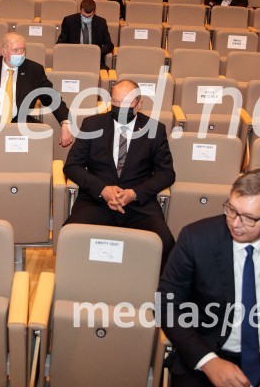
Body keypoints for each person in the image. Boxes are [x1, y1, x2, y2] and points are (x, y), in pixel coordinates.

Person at [159, 169, 260, 387]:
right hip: (207, 354)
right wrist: (208, 362)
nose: (235, 223)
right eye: (231, 210)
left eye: (249, 218)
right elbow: (167, 306)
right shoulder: (195, 239)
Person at [63, 79, 176, 267]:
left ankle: (158, 293)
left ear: (139, 104)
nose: (119, 107)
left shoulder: (155, 130)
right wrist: (102, 190)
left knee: (165, 243)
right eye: (115, 102)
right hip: (96, 201)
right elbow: (72, 166)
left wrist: (134, 193)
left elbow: (166, 173)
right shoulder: (92, 125)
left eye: (126, 103)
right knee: (70, 235)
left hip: (139, 205)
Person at [0, 32, 73, 159]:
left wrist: (65, 122)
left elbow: (51, 97)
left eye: (23, 50)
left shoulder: (34, 70)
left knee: (39, 140)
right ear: (3, 52)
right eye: (15, 50)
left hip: (19, 121)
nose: (20, 54)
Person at [56, 0, 114, 69]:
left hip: (93, 59)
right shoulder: (69, 21)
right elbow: (60, 43)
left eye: (89, 17)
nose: (86, 18)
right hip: (73, 58)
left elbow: (109, 45)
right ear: (80, 10)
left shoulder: (101, 22)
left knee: (106, 71)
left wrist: (97, 52)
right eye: (83, 16)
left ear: (94, 11)